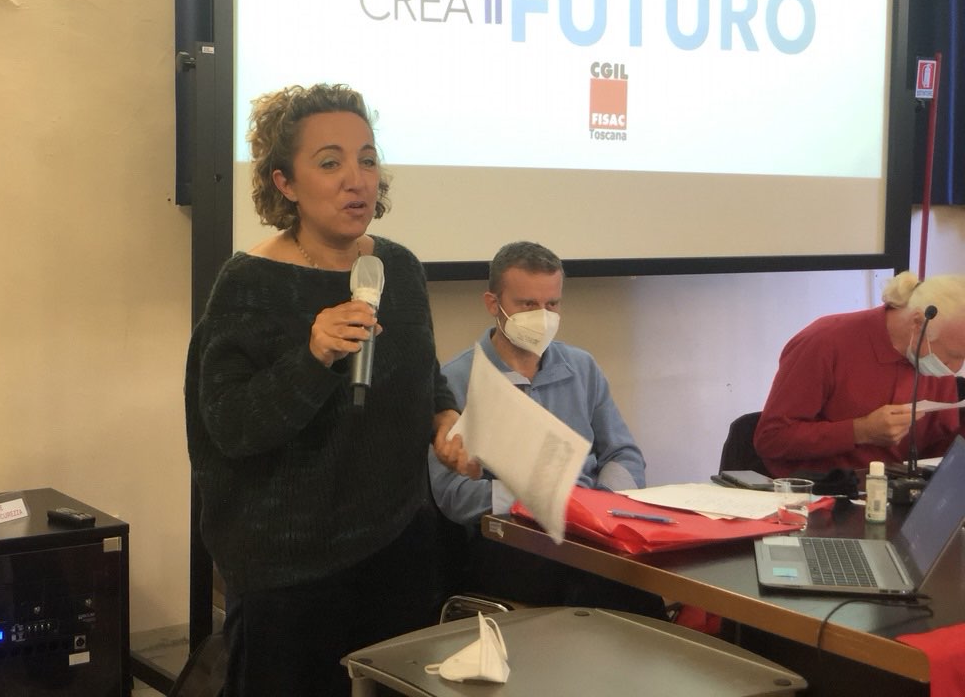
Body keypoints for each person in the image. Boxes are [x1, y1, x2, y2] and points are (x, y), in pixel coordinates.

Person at [184, 83, 469, 696]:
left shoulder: (398, 269)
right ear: (285, 183)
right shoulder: (249, 284)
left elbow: (425, 377)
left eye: (367, 160)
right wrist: (313, 357)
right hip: (289, 575)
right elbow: (229, 426)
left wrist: (445, 421)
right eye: (330, 162)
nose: (356, 180)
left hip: (399, 550)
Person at [428, 241, 665, 619]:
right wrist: (531, 497)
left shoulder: (581, 367)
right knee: (597, 585)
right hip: (510, 539)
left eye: (551, 304)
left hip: (589, 527)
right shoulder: (456, 380)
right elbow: (451, 495)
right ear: (493, 304)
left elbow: (623, 453)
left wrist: (599, 504)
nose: (542, 316)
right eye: (527, 305)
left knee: (641, 576)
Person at [754, 271, 965, 477]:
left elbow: (941, 448)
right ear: (918, 323)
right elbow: (771, 438)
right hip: (823, 490)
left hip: (905, 489)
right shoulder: (826, 342)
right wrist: (861, 431)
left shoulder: (934, 355)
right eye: (953, 355)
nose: (955, 369)